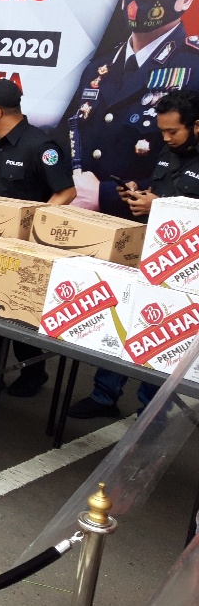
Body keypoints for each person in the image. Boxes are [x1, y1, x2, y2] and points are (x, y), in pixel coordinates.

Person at [57, 0, 199, 216]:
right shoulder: (98, 68)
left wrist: (107, 195)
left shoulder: (193, 68)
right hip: (76, 218)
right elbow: (71, 139)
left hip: (145, 227)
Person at [70, 88, 199, 419]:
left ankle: (152, 411)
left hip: (185, 270)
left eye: (173, 131)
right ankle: (104, 395)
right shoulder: (170, 151)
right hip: (147, 251)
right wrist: (139, 192)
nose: (165, 138)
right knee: (125, 320)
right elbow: (161, 186)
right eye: (162, 131)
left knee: (162, 334)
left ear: (196, 125)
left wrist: (160, 206)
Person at [0, 78, 76, 397]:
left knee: (19, 314)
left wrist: (34, 226)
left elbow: (66, 192)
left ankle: (33, 372)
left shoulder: (40, 146)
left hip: (25, 247)